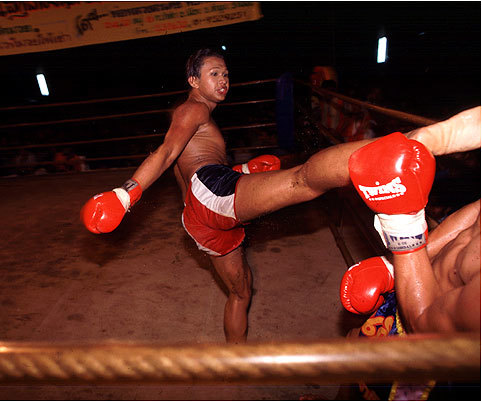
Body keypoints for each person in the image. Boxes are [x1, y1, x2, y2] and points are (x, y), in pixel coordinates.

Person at [81, 48, 385, 343]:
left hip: (199, 216)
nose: (223, 79)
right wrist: (125, 194)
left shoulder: (197, 117)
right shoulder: (193, 109)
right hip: (209, 193)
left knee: (241, 291)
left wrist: (244, 170)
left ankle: (235, 357)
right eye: (213, 73)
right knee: (302, 181)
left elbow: (190, 167)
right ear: (193, 81)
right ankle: (386, 149)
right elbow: (167, 153)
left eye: (225, 74)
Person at [339, 106, 480, 400]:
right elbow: (473, 217)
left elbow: (425, 325)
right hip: (413, 287)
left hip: (430, 355)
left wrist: (401, 224)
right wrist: (423, 141)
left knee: (376, 391)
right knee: (354, 353)